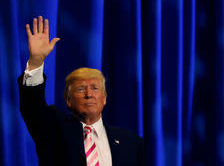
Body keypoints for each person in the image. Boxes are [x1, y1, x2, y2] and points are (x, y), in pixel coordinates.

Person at [18, 16, 144, 166]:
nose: (89, 94)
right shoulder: (54, 129)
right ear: (68, 100)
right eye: (80, 89)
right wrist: (36, 62)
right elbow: (32, 107)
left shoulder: (131, 142)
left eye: (95, 88)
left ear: (104, 98)